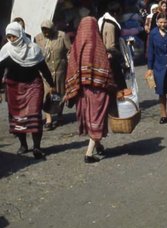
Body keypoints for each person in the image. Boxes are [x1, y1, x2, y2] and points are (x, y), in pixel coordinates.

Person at [0, 22, 56, 159]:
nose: (12, 39)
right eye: (9, 37)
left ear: (20, 34)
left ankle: (37, 147)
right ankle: (23, 145)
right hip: (14, 88)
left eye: (13, 36)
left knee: (34, 115)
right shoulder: (6, 50)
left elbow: (43, 68)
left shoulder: (33, 49)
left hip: (33, 86)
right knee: (18, 118)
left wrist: (52, 84)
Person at [64, 17, 116, 163]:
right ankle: (88, 153)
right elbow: (104, 66)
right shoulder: (97, 44)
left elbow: (72, 66)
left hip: (82, 90)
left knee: (89, 118)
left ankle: (98, 146)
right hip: (97, 89)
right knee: (97, 117)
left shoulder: (76, 45)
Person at [35, 19, 71, 130]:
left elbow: (69, 51)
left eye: (48, 30)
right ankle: (49, 119)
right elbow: (37, 54)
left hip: (60, 70)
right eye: (43, 30)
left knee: (59, 94)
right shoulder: (38, 38)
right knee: (47, 95)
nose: (46, 32)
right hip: (46, 72)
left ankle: (60, 115)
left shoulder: (62, 36)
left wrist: (70, 66)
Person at [98, 1, 128, 90]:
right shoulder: (110, 25)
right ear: (115, 12)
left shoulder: (105, 21)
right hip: (112, 60)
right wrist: (122, 60)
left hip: (111, 58)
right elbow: (110, 46)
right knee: (118, 84)